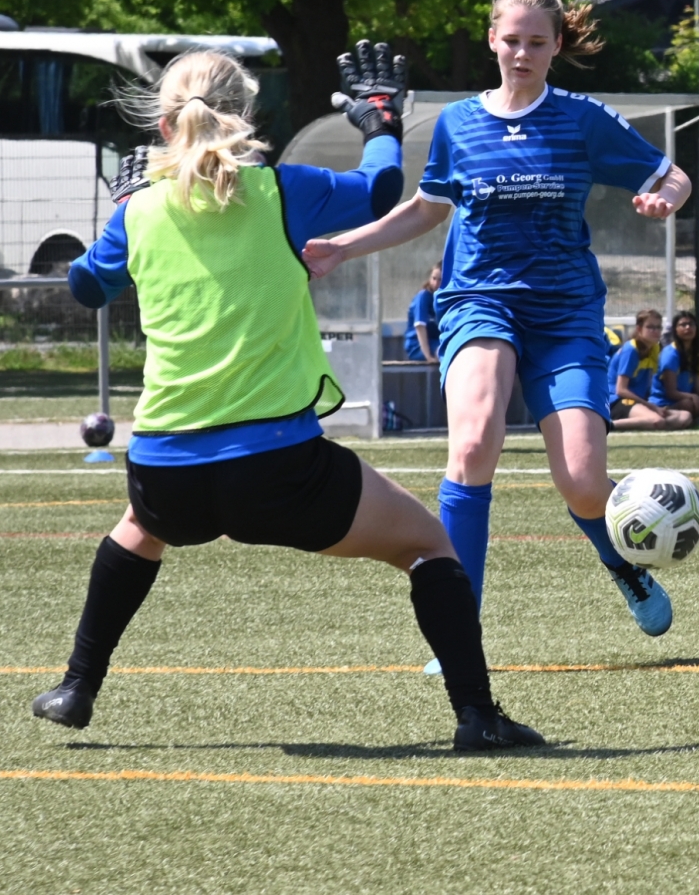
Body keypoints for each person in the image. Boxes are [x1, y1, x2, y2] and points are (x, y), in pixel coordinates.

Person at [30, 45, 542, 750]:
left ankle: (76, 686)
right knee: (431, 547)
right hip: (278, 470)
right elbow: (380, 189)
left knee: (140, 529)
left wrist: (124, 208)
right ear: (247, 117)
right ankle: (478, 717)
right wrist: (380, 120)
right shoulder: (280, 192)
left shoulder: (139, 211)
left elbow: (86, 286)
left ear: (164, 126)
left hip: (164, 473)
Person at [305, 0, 693, 638]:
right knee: (473, 443)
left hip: (565, 313)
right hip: (478, 299)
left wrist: (666, 199)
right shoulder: (458, 122)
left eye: (537, 42)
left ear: (557, 45)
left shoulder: (581, 118)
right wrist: (344, 246)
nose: (522, 53)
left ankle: (622, 563)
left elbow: (671, 175)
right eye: (511, 40)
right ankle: (459, 632)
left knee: (584, 483)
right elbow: (426, 209)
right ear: (492, 40)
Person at [610, 312, 689, 430]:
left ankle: (648, 422)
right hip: (617, 401)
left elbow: (648, 384)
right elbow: (621, 390)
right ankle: (607, 425)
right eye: (650, 327)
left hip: (638, 402)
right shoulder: (631, 349)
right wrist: (651, 407)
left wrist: (653, 406)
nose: (656, 331)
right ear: (639, 329)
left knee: (685, 416)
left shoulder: (654, 348)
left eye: (658, 327)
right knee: (656, 420)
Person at [649, 309, 699, 426]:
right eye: (683, 325)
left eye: (691, 324)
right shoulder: (670, 354)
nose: (688, 327)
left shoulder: (696, 355)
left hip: (690, 400)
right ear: (675, 330)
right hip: (665, 404)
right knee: (689, 404)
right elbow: (671, 392)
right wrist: (694, 397)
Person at [406, 265, 442, 362]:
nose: (436, 283)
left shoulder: (444, 298)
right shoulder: (423, 297)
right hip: (418, 345)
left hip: (437, 342)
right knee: (445, 352)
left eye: (440, 280)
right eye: (434, 278)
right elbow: (420, 326)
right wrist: (428, 356)